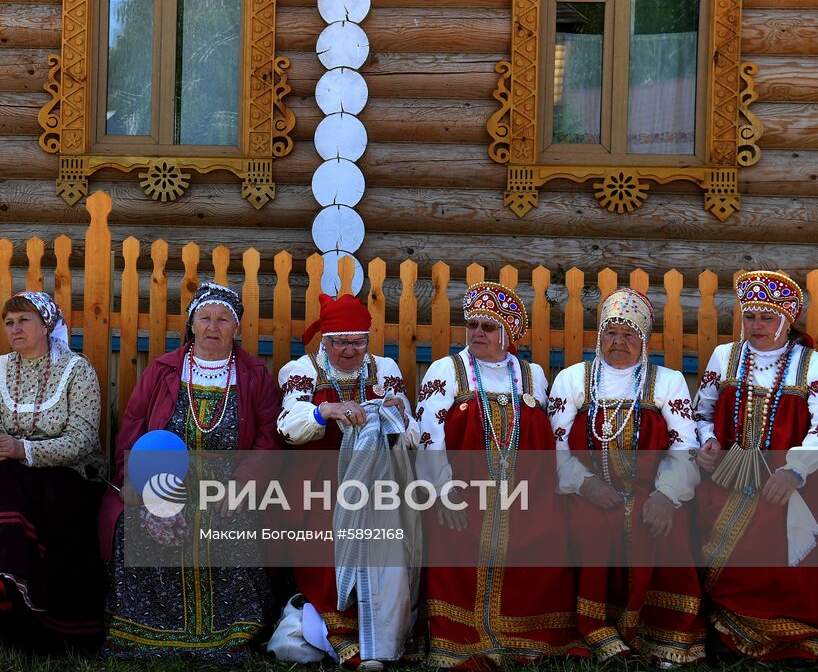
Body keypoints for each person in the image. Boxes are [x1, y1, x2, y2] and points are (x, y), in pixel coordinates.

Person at [101, 282, 283, 662]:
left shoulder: (255, 376)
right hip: (166, 477)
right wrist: (134, 478)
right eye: (205, 318)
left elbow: (268, 439)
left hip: (229, 481)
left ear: (236, 328)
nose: (212, 327)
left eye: (223, 320)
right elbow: (134, 425)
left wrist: (242, 486)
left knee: (234, 525)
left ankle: (230, 634)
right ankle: (147, 633)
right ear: (192, 324)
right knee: (136, 523)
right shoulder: (164, 370)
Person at [415, 282, 579, 667]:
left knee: (547, 540)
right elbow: (429, 435)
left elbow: (549, 437)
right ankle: (462, 638)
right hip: (463, 494)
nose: (476, 334)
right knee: (455, 543)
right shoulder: (447, 370)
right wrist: (442, 493)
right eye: (471, 325)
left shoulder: (531, 375)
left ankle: (531, 637)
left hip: (525, 495)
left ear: (507, 332)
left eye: (487, 327)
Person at [548, 287, 703, 663]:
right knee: (592, 531)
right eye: (611, 332)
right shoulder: (573, 379)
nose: (618, 341)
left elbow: (685, 446)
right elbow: (555, 446)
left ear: (644, 340)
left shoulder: (667, 382)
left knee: (667, 531)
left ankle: (662, 635)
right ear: (599, 336)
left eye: (629, 333)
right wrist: (585, 484)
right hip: (586, 491)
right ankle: (597, 632)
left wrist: (667, 495)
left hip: (651, 491)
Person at [276, 293, 417, 668]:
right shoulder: (303, 371)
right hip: (320, 487)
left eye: (358, 341)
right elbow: (288, 426)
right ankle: (339, 634)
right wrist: (324, 412)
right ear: (324, 340)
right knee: (328, 546)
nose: (350, 351)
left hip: (376, 482)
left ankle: (383, 637)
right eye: (340, 342)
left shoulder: (384, 369)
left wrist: (400, 414)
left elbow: (411, 434)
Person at [0, 291, 105, 655]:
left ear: (47, 325)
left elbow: (84, 440)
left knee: (47, 493)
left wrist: (24, 449)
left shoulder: (76, 369)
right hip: (9, 470)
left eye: (23, 320)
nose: (15, 329)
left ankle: (16, 604)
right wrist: (6, 450)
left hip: (65, 471)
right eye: (9, 323)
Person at [693, 269, 818, 658]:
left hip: (788, 479)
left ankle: (775, 626)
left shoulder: (812, 365)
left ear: (787, 320)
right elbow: (701, 414)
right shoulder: (725, 356)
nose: (757, 326)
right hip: (726, 474)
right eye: (750, 316)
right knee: (704, 522)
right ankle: (724, 626)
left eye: (767, 317)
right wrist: (709, 442)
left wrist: (794, 470)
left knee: (769, 528)